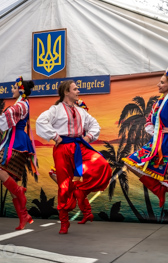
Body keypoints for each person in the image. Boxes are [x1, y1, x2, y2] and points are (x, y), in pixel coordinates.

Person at [122, 67, 168, 238]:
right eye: (159, 82)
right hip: (158, 144)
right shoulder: (158, 103)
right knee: (130, 162)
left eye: (161, 82)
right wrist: (158, 133)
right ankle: (158, 190)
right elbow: (149, 121)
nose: (158, 84)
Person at [36, 80, 112, 234]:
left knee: (102, 164)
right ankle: (64, 222)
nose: (78, 91)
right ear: (66, 92)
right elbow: (40, 121)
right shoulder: (56, 110)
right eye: (75, 89)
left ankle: (79, 189)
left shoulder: (80, 111)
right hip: (63, 148)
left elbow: (94, 124)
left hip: (79, 146)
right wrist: (55, 136)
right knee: (63, 185)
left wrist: (89, 137)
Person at [0, 76, 38, 230]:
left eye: (14, 88)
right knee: (11, 179)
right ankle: (23, 216)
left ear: (21, 90)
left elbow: (11, 112)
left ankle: (19, 190)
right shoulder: (24, 103)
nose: (12, 90)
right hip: (16, 140)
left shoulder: (21, 104)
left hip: (15, 141)